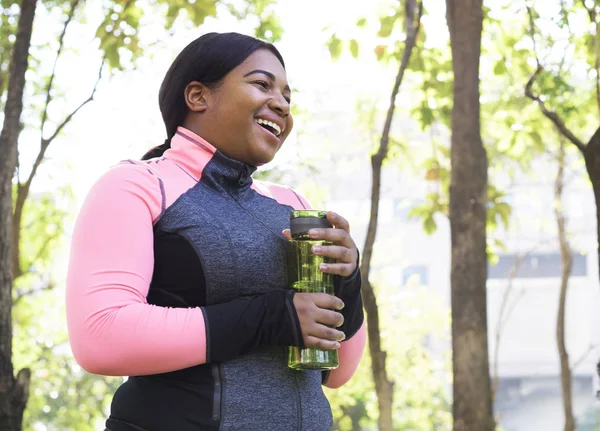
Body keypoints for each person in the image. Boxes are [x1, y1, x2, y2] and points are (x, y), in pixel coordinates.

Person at [65, 32, 366, 431]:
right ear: (197, 96)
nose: (281, 104)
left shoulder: (290, 204)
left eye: (288, 97)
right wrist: (267, 318)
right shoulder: (137, 185)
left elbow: (338, 371)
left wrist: (347, 279)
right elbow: (100, 335)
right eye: (262, 84)